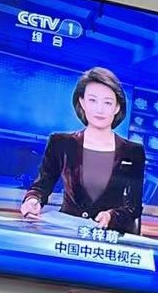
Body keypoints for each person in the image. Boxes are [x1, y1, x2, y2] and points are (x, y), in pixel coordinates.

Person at [20, 67, 146, 235]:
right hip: (66, 233)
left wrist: (111, 216)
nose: (99, 109)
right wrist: (32, 200)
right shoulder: (60, 143)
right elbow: (42, 186)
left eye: (107, 102)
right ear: (82, 102)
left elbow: (134, 207)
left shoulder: (133, 152)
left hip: (107, 236)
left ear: (117, 107)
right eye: (93, 100)